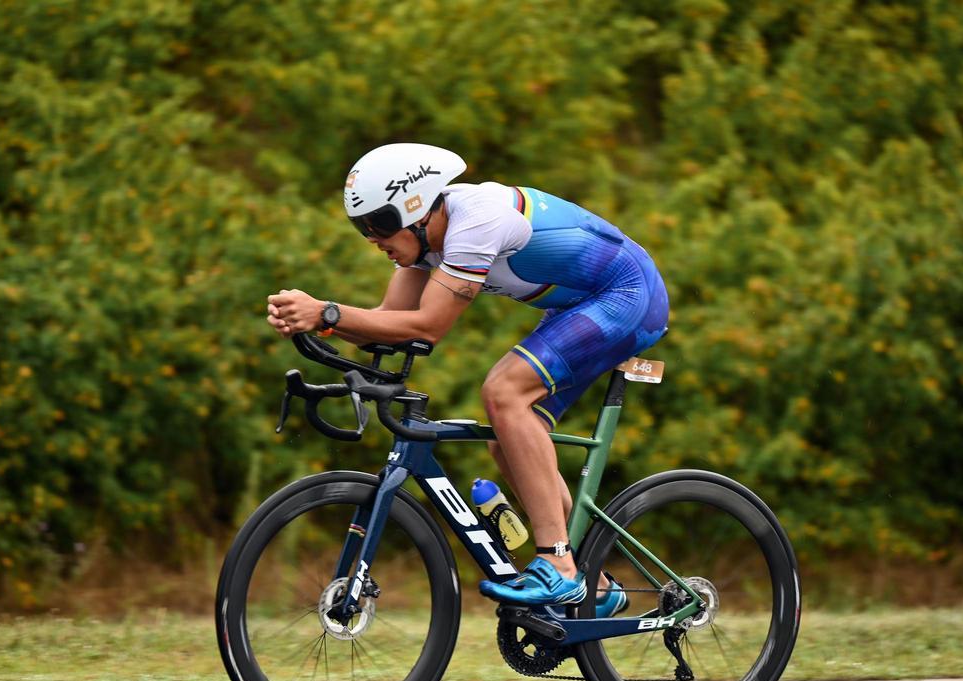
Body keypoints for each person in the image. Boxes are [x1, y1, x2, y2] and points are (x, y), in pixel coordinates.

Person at [266, 143, 668, 616]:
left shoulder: (477, 221)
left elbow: (427, 327)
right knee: (510, 439)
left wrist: (326, 312)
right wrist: (322, 331)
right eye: (363, 228)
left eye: (379, 224)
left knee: (503, 392)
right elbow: (387, 323)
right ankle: (594, 585)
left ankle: (557, 566)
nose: (372, 239)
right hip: (581, 306)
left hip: (627, 295)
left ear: (417, 209)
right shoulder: (425, 248)